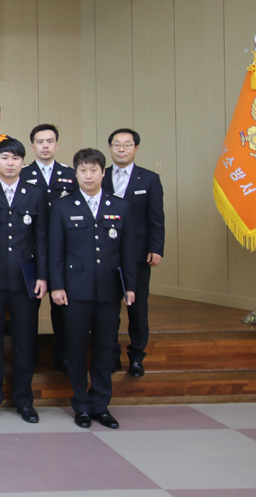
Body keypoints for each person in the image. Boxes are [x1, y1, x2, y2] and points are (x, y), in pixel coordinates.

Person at [49, 148, 136, 429]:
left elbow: (127, 251)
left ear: (103, 173)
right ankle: (81, 405)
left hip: (109, 291)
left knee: (104, 349)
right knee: (75, 349)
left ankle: (101, 404)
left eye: (94, 170)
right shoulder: (62, 206)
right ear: (76, 174)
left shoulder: (120, 206)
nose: (88, 175)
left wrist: (129, 286)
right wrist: (57, 286)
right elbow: (55, 251)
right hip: (75, 291)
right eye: (83, 170)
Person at [0, 138, 48, 424]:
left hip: (25, 279)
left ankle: (24, 401)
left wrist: (43, 275)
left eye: (16, 158)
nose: (10, 163)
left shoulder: (36, 193)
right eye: (5, 157)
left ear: (23, 162)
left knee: (25, 341)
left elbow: (42, 238)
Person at [104, 128, 165, 377]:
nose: (121, 149)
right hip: (106, 253)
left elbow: (156, 218)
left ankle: (137, 356)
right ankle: (111, 355)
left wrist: (156, 248)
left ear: (136, 148)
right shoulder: (100, 175)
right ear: (110, 148)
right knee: (108, 308)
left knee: (137, 308)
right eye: (117, 144)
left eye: (127, 145)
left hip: (138, 253)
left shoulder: (149, 179)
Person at [20, 123, 77, 372]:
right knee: (29, 309)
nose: (45, 146)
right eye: (40, 142)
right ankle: (30, 356)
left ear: (57, 145)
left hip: (63, 251)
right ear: (32, 146)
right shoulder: (22, 174)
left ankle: (62, 355)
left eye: (50, 141)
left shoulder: (70, 174)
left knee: (62, 306)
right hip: (31, 250)